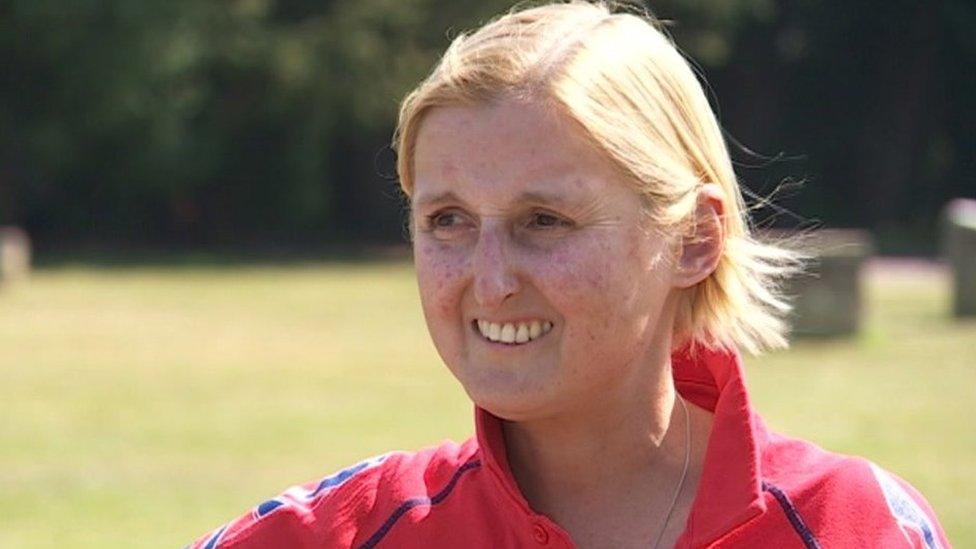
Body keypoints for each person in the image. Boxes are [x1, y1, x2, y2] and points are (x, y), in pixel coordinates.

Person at [188, 2, 950, 547]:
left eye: (544, 221)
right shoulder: (346, 530)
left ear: (693, 237)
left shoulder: (853, 525)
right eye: (447, 219)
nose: (489, 281)